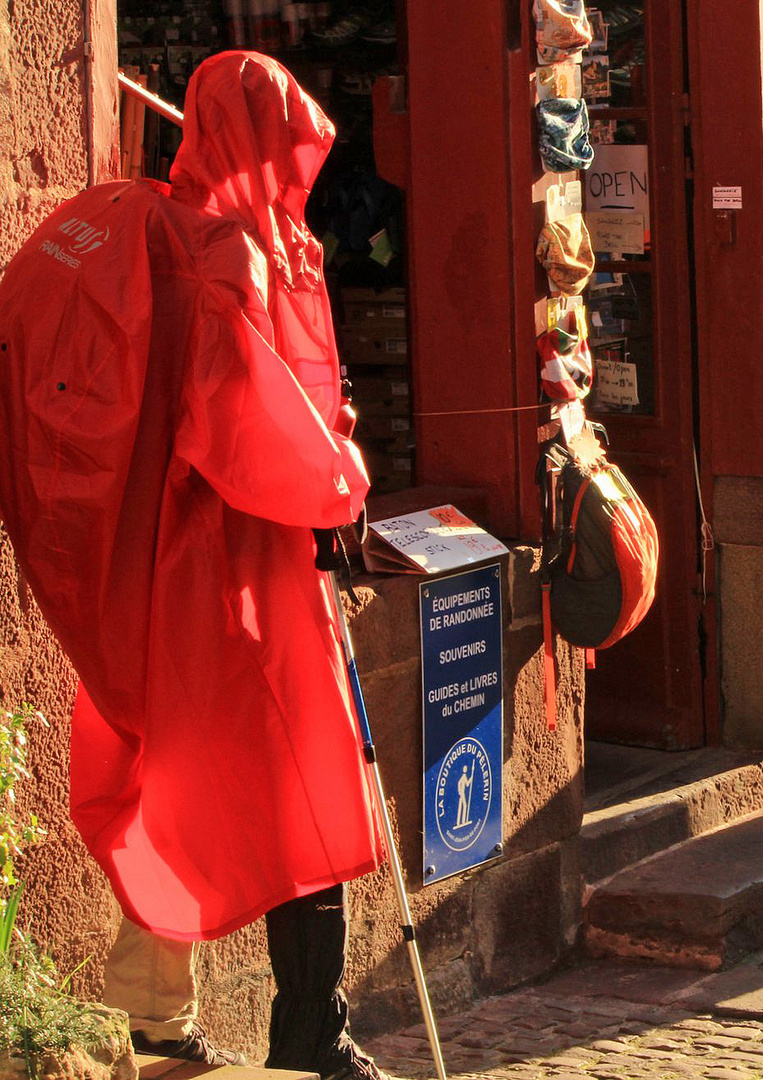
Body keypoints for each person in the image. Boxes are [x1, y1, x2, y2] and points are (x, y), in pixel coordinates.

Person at [0, 52, 388, 1080]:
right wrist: (341, 483)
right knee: (309, 786)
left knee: (166, 776)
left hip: (140, 568)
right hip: (233, 574)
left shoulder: (119, 222)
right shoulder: (228, 253)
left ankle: (159, 1019)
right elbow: (250, 432)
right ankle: (315, 1036)